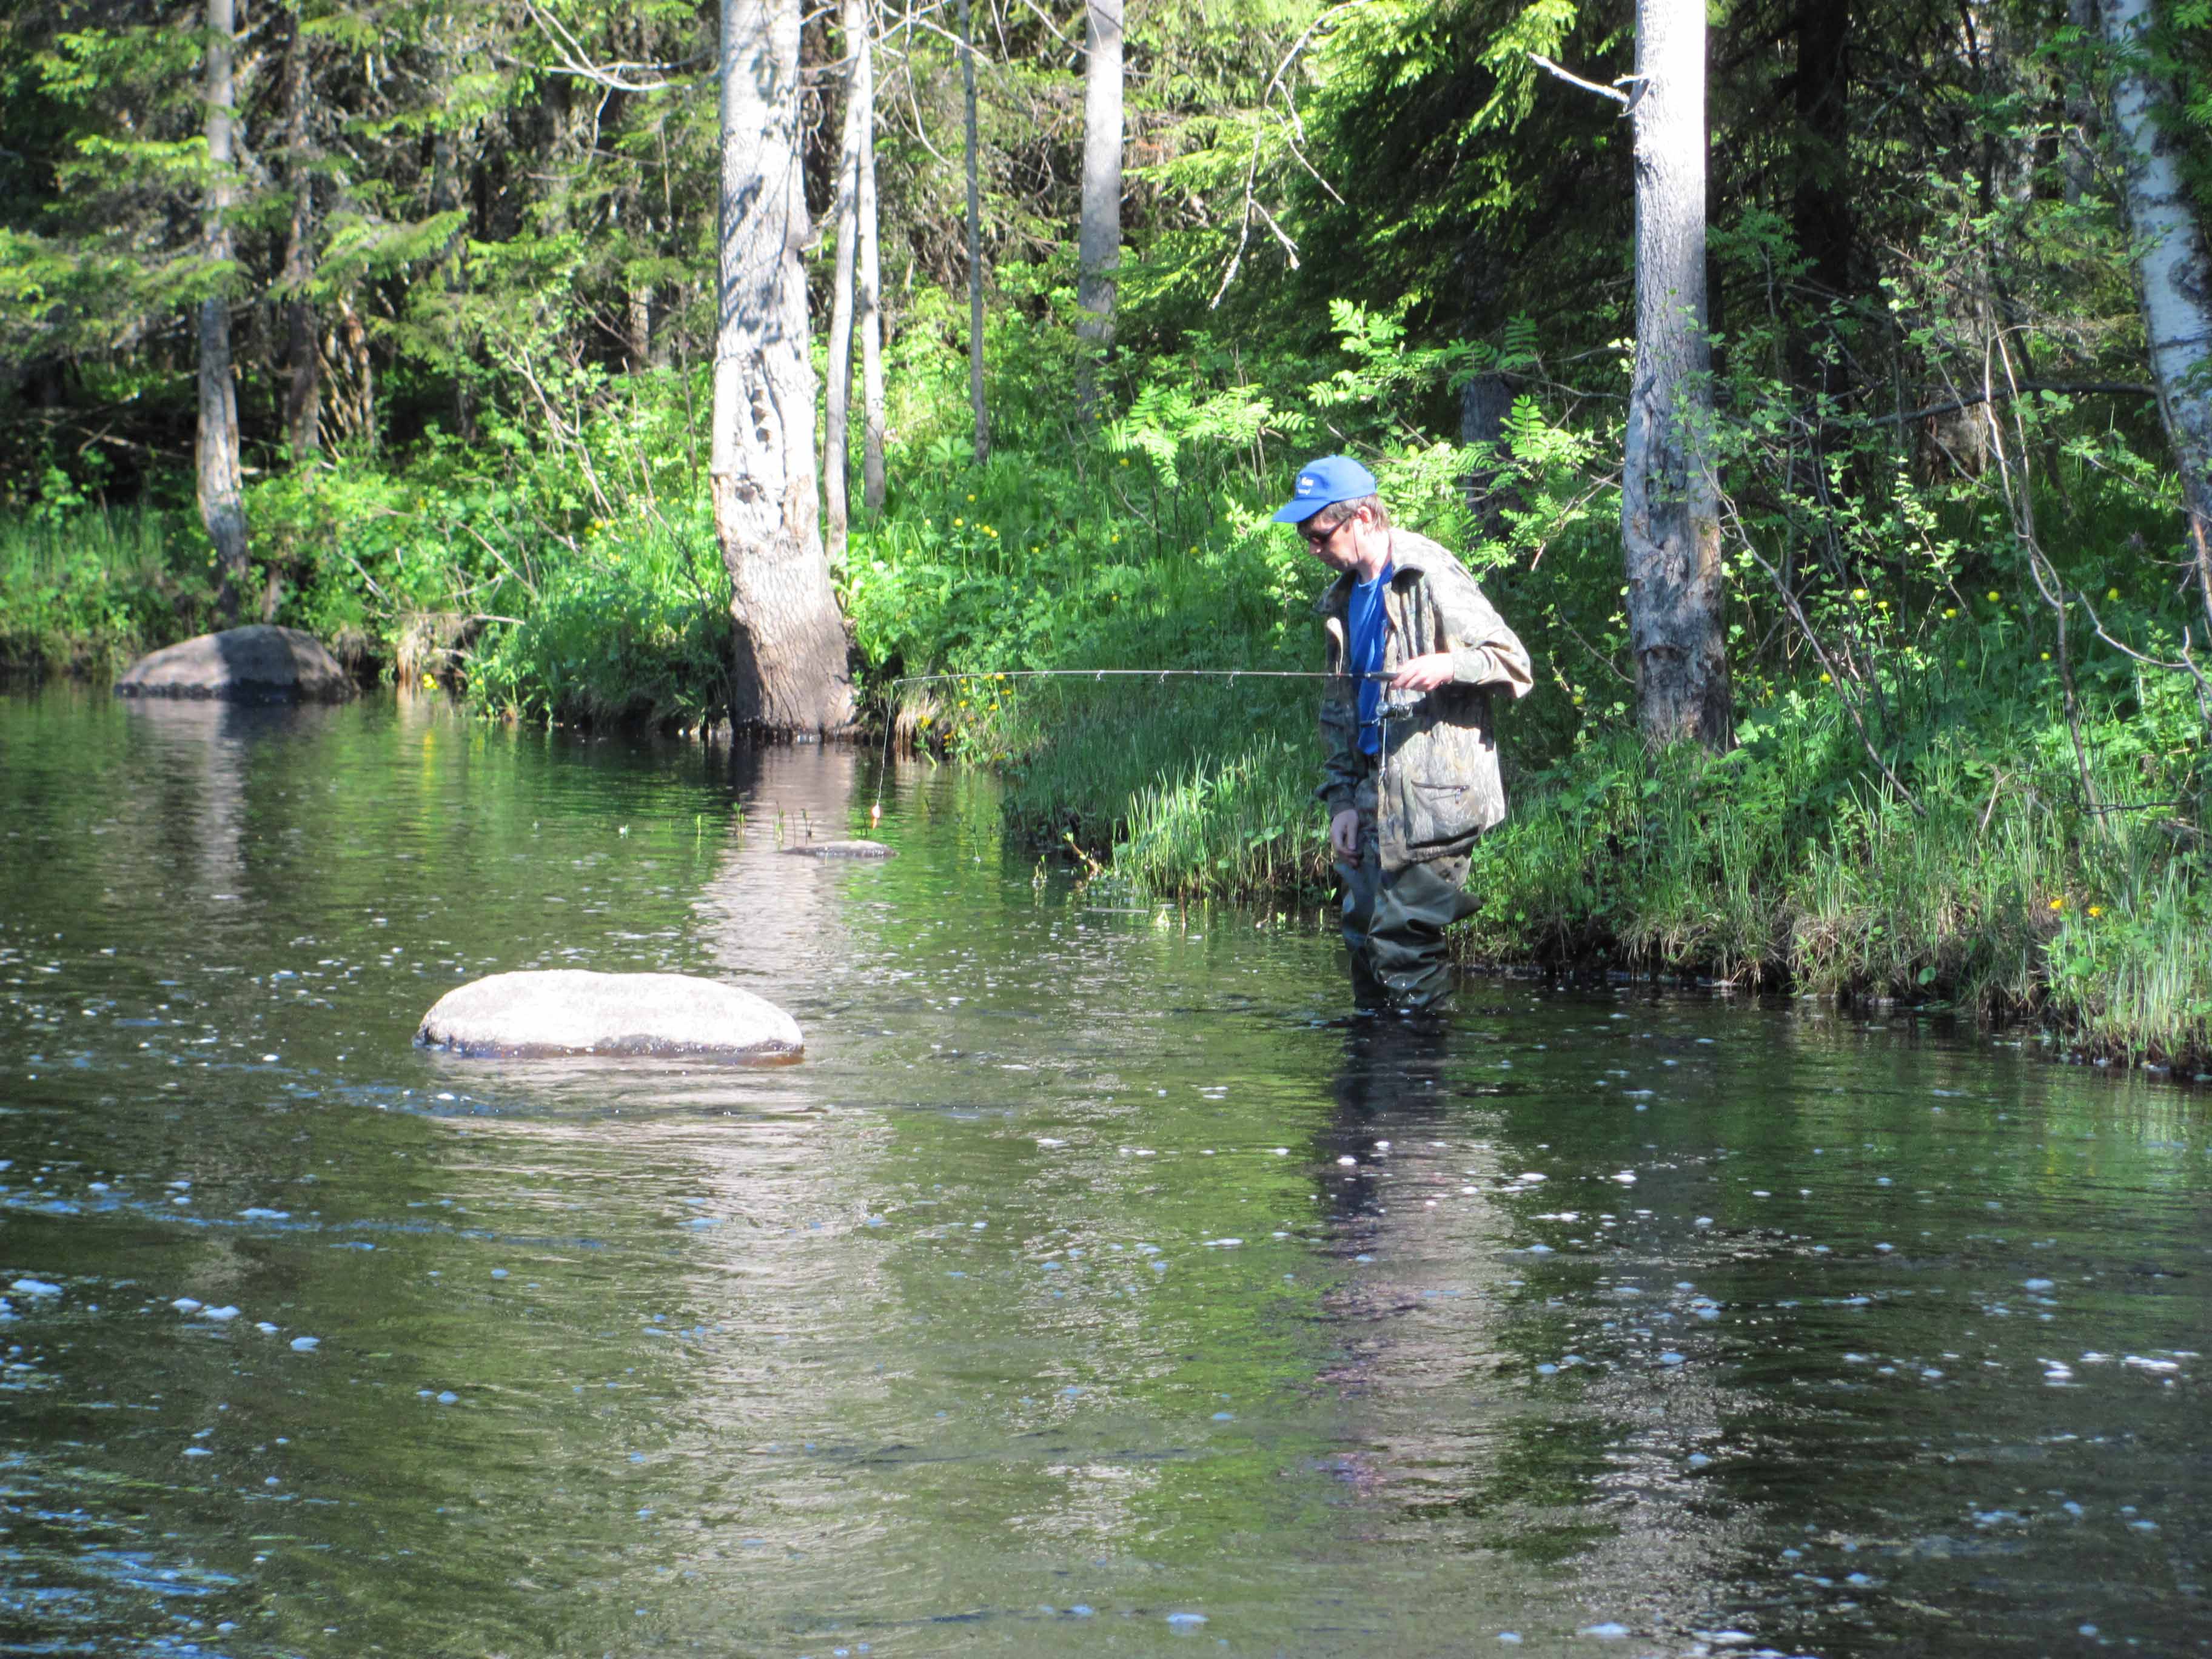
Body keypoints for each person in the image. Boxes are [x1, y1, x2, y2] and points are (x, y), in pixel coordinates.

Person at [1274, 455, 1532, 1008]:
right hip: (1372, 793)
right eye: (1305, 538)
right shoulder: (1344, 599)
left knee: (1404, 945)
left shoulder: (1428, 572)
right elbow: (1339, 714)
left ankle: (1420, 1057)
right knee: (1362, 939)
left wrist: (1448, 665)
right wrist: (1342, 801)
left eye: (1319, 535)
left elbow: (1513, 661)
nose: (1312, 549)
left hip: (1437, 800)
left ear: (1364, 518)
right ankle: (1373, 1058)